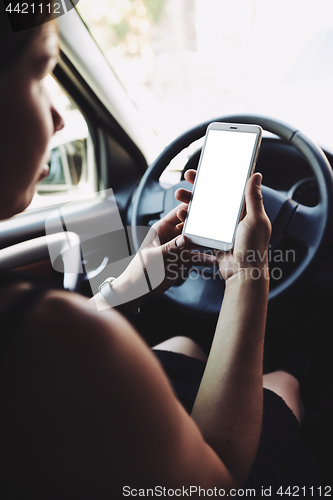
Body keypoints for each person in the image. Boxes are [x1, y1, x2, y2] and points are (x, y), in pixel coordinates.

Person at [0, 3, 321, 498]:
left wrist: (130, 284)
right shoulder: (47, 338)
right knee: (283, 382)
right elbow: (217, 476)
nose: (60, 117)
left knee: (184, 346)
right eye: (41, 74)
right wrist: (247, 273)